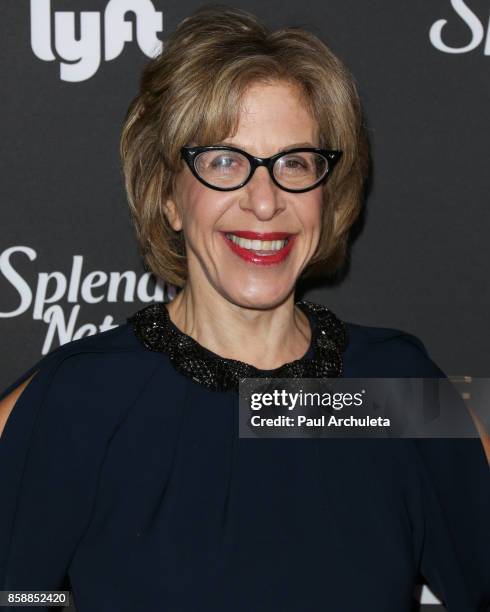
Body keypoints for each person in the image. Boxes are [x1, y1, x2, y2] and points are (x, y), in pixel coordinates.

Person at [0, 6, 489, 612]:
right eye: (225, 162)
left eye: (295, 164)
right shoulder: (80, 397)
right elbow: (16, 594)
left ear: (327, 195)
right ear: (169, 197)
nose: (265, 201)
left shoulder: (396, 388)